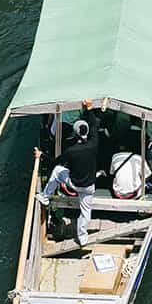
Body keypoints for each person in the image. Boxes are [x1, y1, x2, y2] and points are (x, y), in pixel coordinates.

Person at [40, 105, 101, 245]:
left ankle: (45, 196)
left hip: (75, 183)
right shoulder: (94, 144)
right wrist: (89, 109)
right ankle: (83, 237)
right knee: (86, 212)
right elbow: (94, 127)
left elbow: (55, 162)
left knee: (56, 171)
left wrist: (42, 155)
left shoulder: (71, 151)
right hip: (89, 186)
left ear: (75, 133)